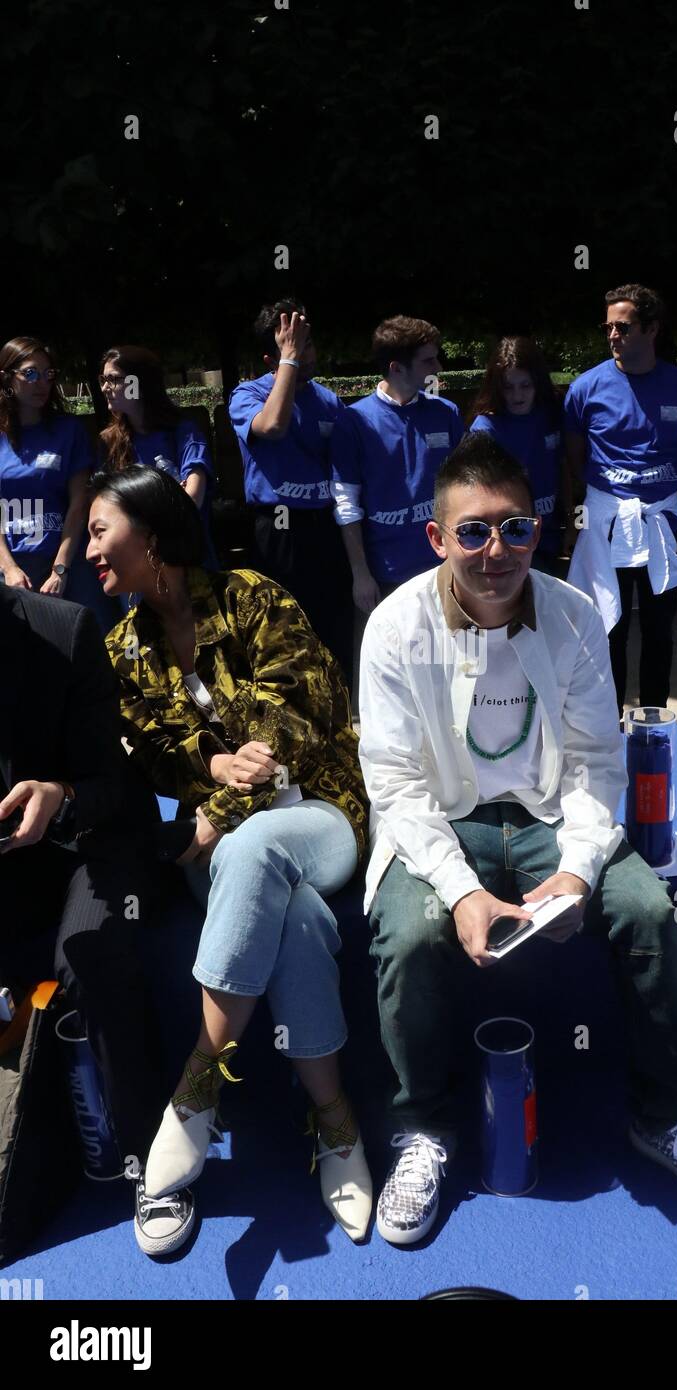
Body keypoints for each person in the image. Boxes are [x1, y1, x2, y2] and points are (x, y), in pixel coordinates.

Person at [359, 431, 677, 1247]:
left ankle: (666, 1115)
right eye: (472, 530)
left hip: (547, 817)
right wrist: (461, 888)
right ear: (437, 538)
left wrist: (577, 873)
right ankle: (425, 1129)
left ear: (541, 530)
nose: (495, 549)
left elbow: (596, 762)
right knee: (412, 931)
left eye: (515, 527)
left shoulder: (574, 613)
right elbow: (394, 785)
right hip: (441, 818)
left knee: (644, 908)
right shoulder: (395, 627)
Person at [87, 467, 372, 1255]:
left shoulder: (253, 596)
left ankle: (199, 1080)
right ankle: (335, 1119)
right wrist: (212, 775)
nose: (88, 550)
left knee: (253, 843)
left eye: (100, 532)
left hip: (320, 814)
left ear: (151, 537)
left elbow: (304, 721)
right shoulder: (121, 648)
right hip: (223, 852)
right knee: (300, 920)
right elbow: (153, 758)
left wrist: (219, 810)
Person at [0, 581, 165, 1225]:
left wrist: (58, 794)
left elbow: (112, 786)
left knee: (87, 958)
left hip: (84, 842)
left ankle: (154, 1153)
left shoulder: (64, 629)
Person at [562, 285, 677, 717]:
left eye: (623, 326)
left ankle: (653, 718)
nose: (612, 334)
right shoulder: (586, 388)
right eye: (608, 326)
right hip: (607, 521)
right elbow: (574, 455)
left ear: (652, 329)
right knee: (610, 626)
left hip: (661, 517)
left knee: (659, 629)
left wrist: (654, 483)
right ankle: (608, 720)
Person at [228, 298, 353, 679]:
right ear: (272, 358)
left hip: (325, 528)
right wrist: (290, 359)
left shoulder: (329, 401)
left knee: (332, 630)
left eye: (308, 343)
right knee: (283, 631)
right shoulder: (246, 394)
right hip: (278, 531)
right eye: (296, 345)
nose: (307, 354)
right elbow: (273, 427)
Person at [330, 315, 465, 615]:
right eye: (428, 361)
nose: (438, 367)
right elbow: (346, 505)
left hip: (445, 570)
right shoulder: (353, 422)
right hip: (385, 576)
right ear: (396, 367)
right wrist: (360, 575)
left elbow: (467, 487)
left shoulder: (447, 413)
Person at [0, 336, 113, 627]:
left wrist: (60, 569)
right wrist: (9, 569)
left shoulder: (69, 431)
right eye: (31, 373)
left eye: (48, 374)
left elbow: (79, 504)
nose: (42, 383)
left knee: (89, 644)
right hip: (11, 567)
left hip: (67, 560)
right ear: (7, 379)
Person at [98, 344, 217, 574]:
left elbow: (192, 500)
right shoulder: (108, 442)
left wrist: (138, 507)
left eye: (114, 379)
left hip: (187, 565)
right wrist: (170, 497)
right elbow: (106, 507)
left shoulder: (184, 433)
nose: (105, 387)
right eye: (103, 379)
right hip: (134, 568)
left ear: (139, 384)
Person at [469, 336, 565, 575]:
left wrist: (574, 523)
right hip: (513, 543)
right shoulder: (485, 429)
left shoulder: (552, 413)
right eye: (508, 387)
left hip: (552, 536)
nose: (517, 395)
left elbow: (564, 469)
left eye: (525, 385)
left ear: (538, 383)